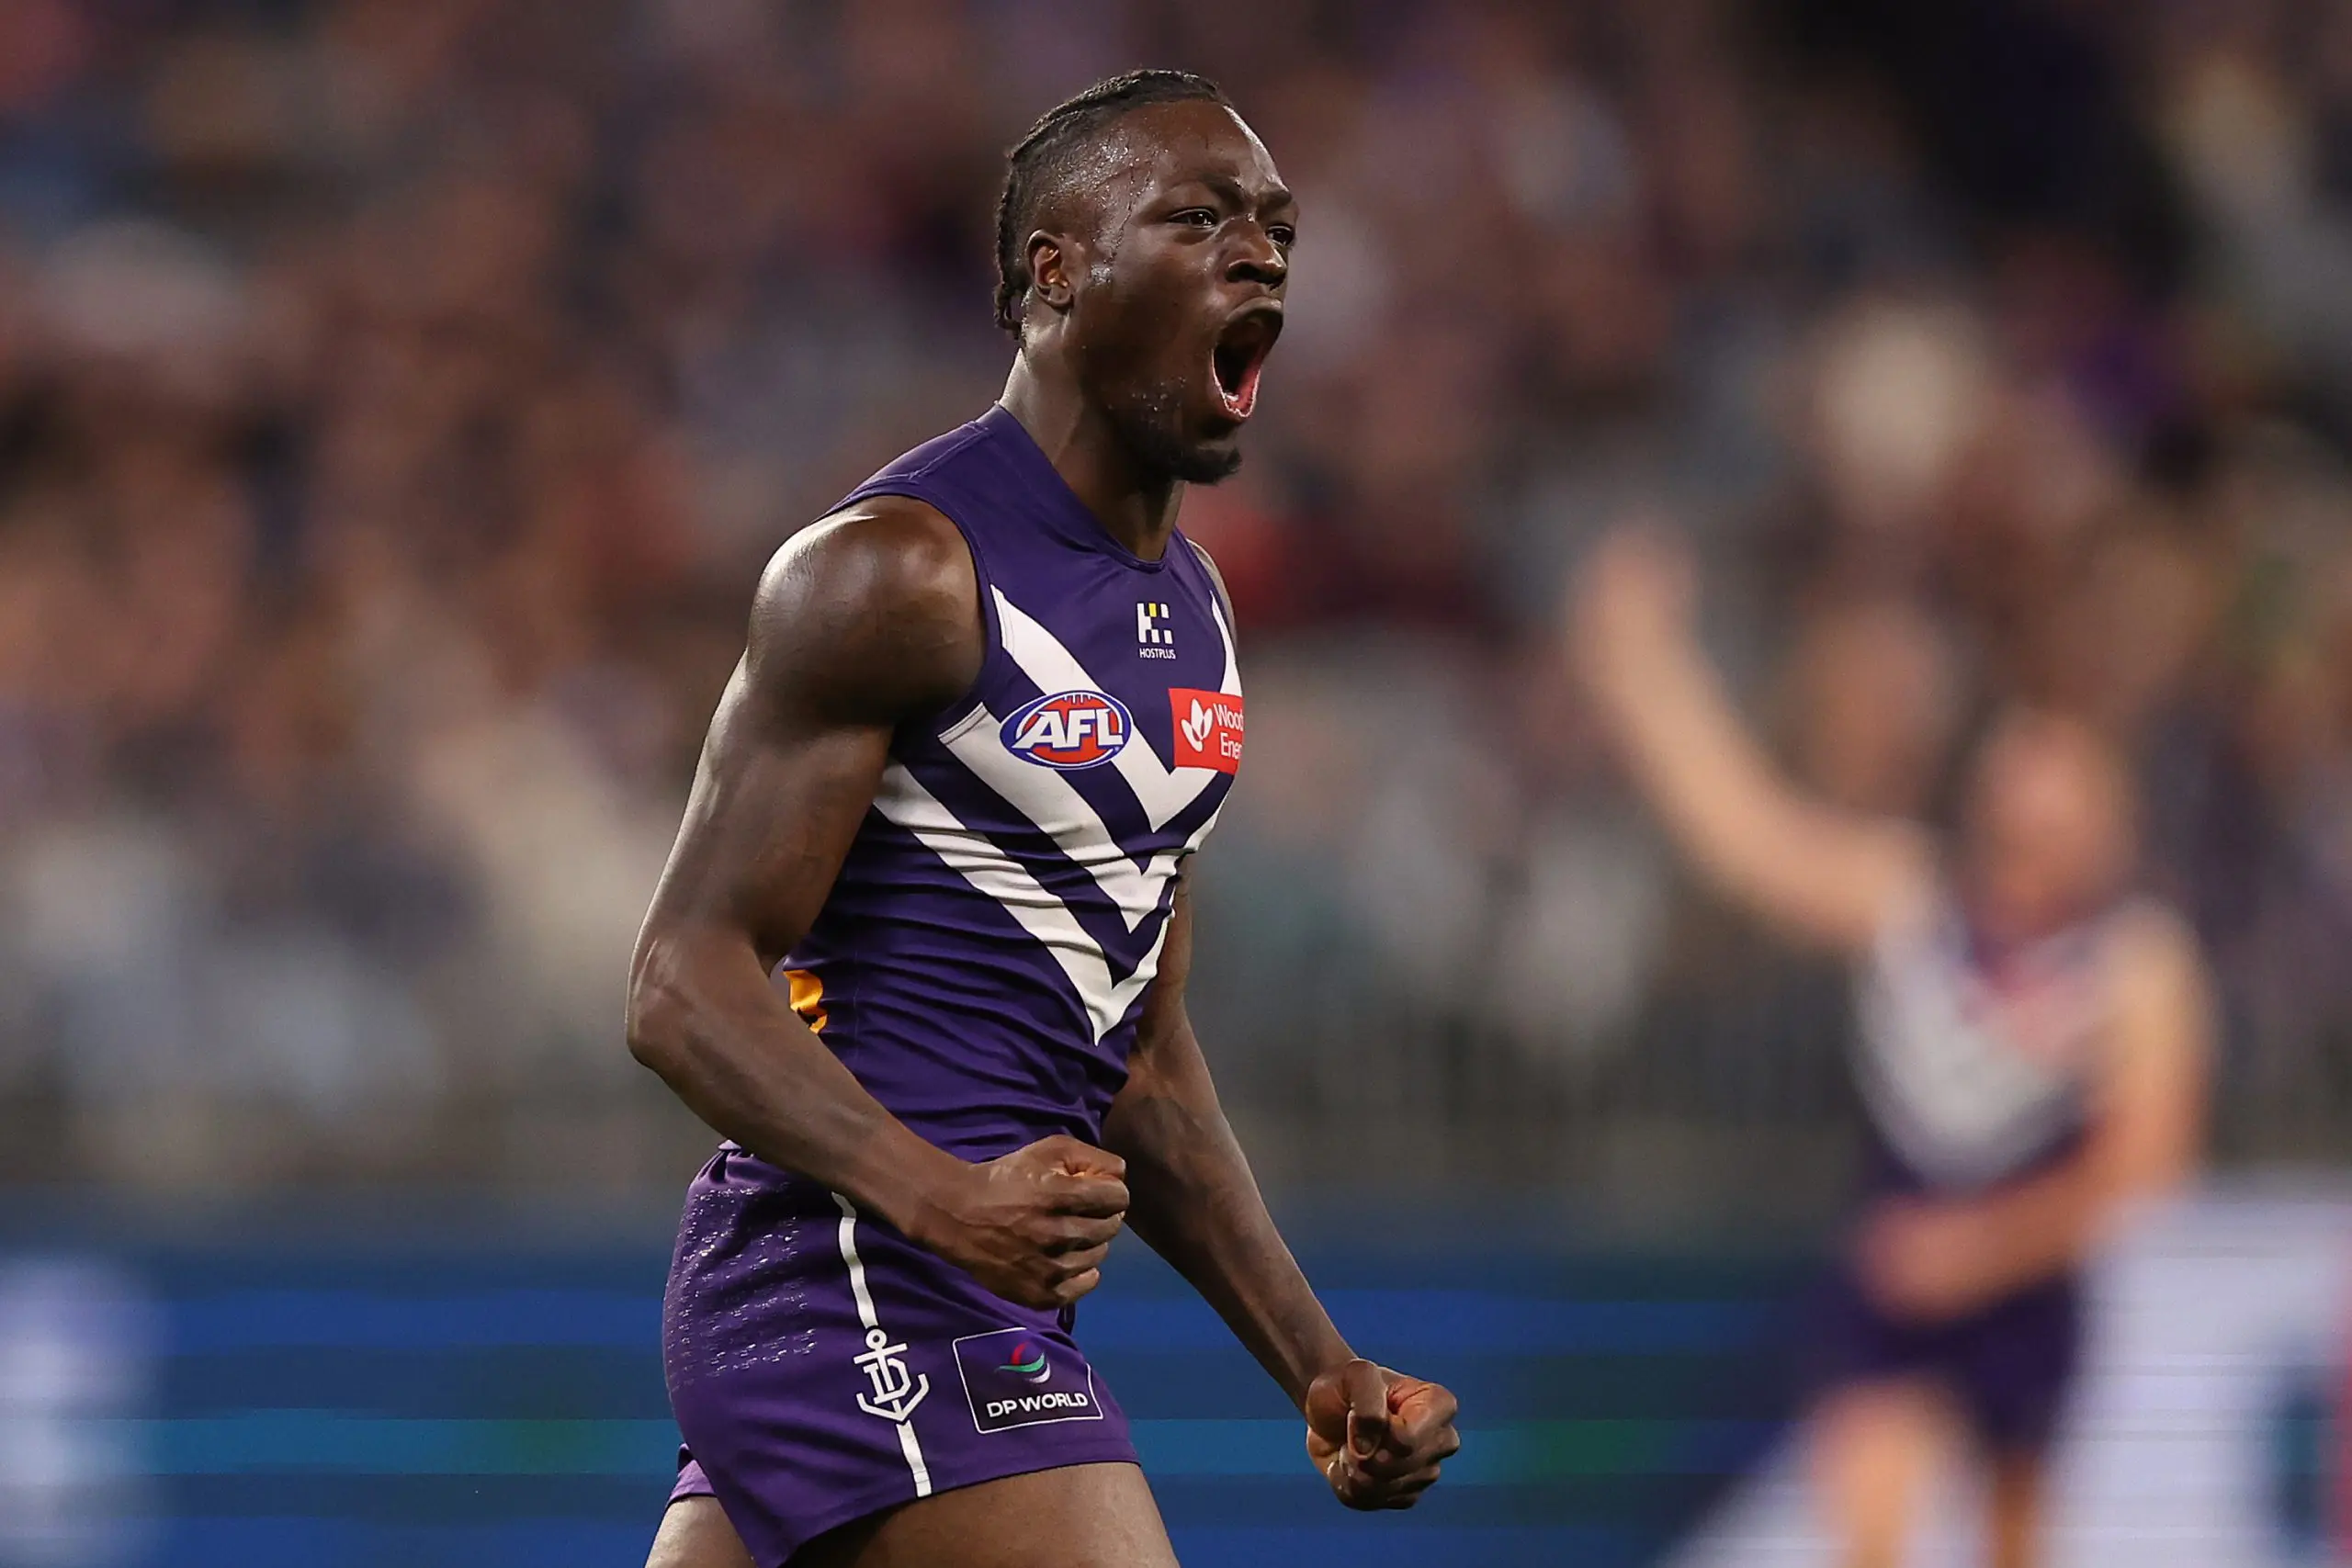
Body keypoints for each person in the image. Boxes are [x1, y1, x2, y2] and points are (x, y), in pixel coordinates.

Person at [627, 71, 1461, 1568]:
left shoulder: (1195, 615)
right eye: (1199, 217)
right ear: (1054, 276)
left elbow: (1139, 1052)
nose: (1261, 253)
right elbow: (682, 981)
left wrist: (1319, 1368)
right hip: (859, 1277)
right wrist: (944, 1202)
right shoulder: (896, 570)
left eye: (1276, 226)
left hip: (930, 1291)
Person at [1571, 529, 2210, 1568]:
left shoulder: (2133, 965)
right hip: (1890, 1272)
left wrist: (1977, 1252)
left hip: (2021, 1283)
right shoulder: (1912, 903)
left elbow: (2145, 1161)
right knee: (1867, 1531)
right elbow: (1749, 838)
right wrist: (1642, 668)